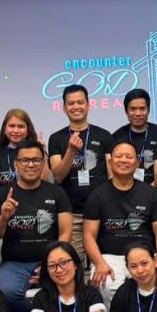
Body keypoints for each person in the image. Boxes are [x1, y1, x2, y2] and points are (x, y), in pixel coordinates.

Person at [0, 140, 72, 312]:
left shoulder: (57, 193)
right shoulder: (2, 195)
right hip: (15, 263)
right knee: (5, 294)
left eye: (36, 160)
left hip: (51, 260)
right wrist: (3, 218)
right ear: (16, 164)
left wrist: (53, 262)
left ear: (43, 163)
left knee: (70, 290)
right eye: (25, 160)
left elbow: (66, 231)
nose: (30, 165)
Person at [84, 141, 157, 307]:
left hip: (144, 256)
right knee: (107, 285)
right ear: (110, 162)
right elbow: (88, 236)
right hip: (110, 257)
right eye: (119, 156)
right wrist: (99, 263)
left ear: (137, 163)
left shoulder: (150, 193)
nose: (123, 160)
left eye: (129, 157)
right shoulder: (97, 195)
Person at [48, 84, 114, 267]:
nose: (76, 107)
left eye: (80, 102)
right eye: (71, 103)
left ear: (88, 105)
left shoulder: (104, 135)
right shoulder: (56, 138)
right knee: (71, 266)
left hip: (101, 212)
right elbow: (58, 176)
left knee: (103, 266)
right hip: (71, 213)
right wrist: (71, 151)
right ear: (64, 107)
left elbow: (112, 176)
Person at [111, 88, 157, 185]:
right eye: (133, 109)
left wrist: (149, 190)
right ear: (126, 111)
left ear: (148, 110)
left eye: (142, 109)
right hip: (125, 191)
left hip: (156, 190)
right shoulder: (117, 136)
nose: (138, 113)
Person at [0, 108, 50, 188]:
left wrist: (42, 151)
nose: (16, 131)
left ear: (28, 130)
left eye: (20, 126)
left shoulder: (36, 151)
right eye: (12, 126)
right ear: (4, 129)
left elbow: (45, 180)